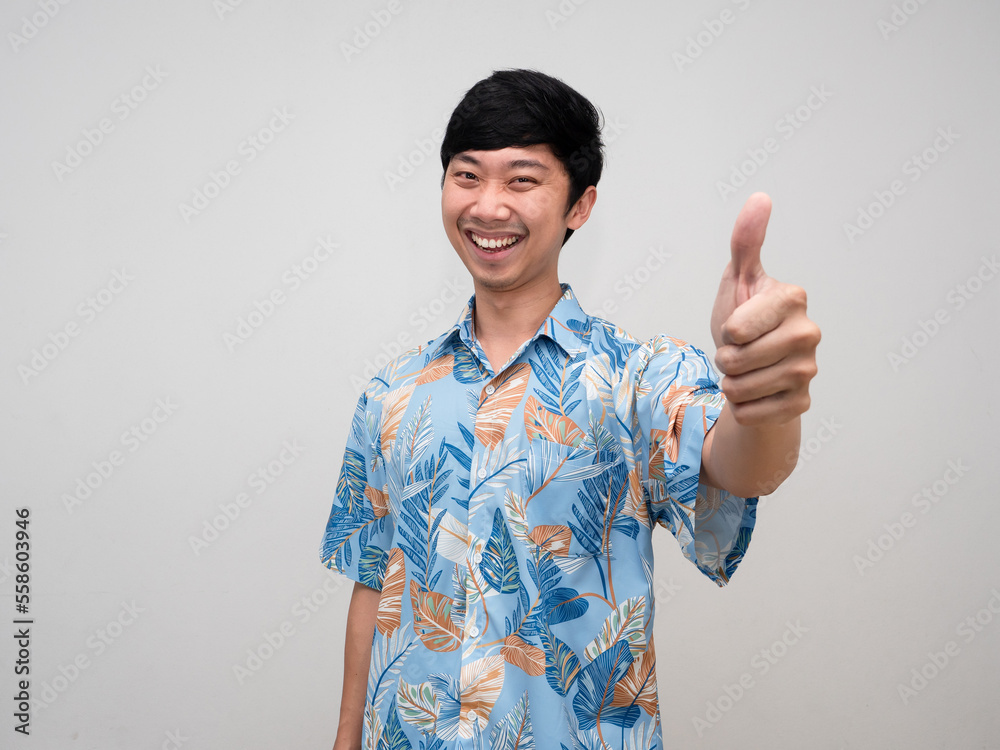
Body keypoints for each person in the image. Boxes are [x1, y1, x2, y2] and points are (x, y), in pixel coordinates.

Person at [320, 69, 820, 750]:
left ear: (579, 206)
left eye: (522, 181)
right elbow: (373, 582)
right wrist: (346, 739)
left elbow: (740, 465)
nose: (488, 206)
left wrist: (763, 401)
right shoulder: (391, 392)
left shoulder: (637, 377)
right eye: (467, 176)